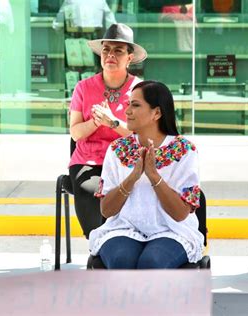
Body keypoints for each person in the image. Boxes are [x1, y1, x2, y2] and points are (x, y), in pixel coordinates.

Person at [89, 80, 204, 269]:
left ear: (157, 113)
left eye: (135, 105)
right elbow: (106, 210)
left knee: (152, 263)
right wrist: (133, 177)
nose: (127, 111)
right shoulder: (118, 149)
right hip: (124, 229)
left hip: (172, 231)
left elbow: (180, 213)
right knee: (121, 261)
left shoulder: (184, 150)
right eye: (128, 105)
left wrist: (153, 176)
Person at [68, 23, 146, 239]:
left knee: (136, 193)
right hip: (89, 161)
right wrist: (95, 122)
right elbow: (75, 133)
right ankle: (98, 243)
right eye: (106, 49)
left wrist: (112, 122)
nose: (110, 55)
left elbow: (143, 136)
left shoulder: (140, 90)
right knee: (89, 191)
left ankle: (124, 243)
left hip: (126, 161)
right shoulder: (83, 87)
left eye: (118, 50)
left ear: (129, 58)